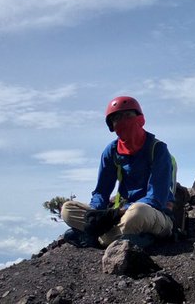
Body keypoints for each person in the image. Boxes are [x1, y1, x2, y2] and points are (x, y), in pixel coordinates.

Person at [61, 95, 176, 248]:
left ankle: (98, 238)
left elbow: (156, 198)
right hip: (121, 215)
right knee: (67, 209)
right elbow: (101, 191)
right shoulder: (112, 151)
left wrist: (117, 213)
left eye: (127, 115)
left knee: (137, 212)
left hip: (152, 213)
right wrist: (96, 214)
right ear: (112, 126)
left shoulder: (157, 149)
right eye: (116, 118)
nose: (122, 121)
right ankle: (115, 236)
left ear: (140, 119)